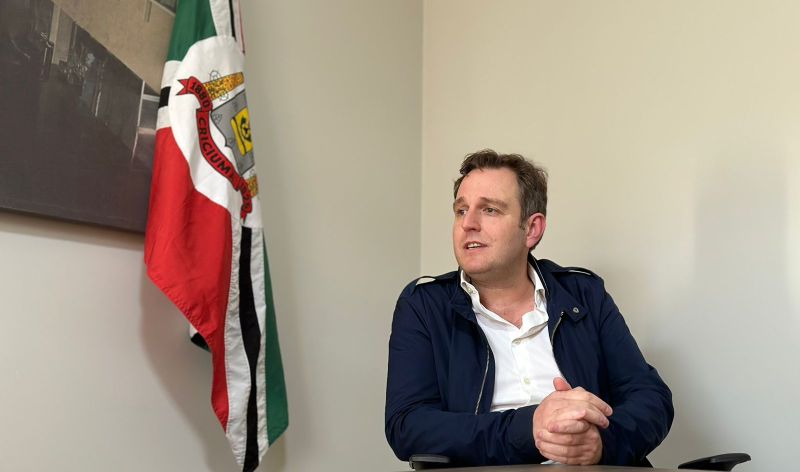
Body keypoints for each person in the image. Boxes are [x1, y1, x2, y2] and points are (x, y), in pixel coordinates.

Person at [385, 149, 673, 467]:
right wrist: (529, 428)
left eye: (490, 210)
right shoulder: (424, 306)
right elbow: (407, 425)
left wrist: (602, 443)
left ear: (532, 229)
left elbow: (651, 398)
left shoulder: (584, 294)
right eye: (461, 210)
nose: (468, 224)